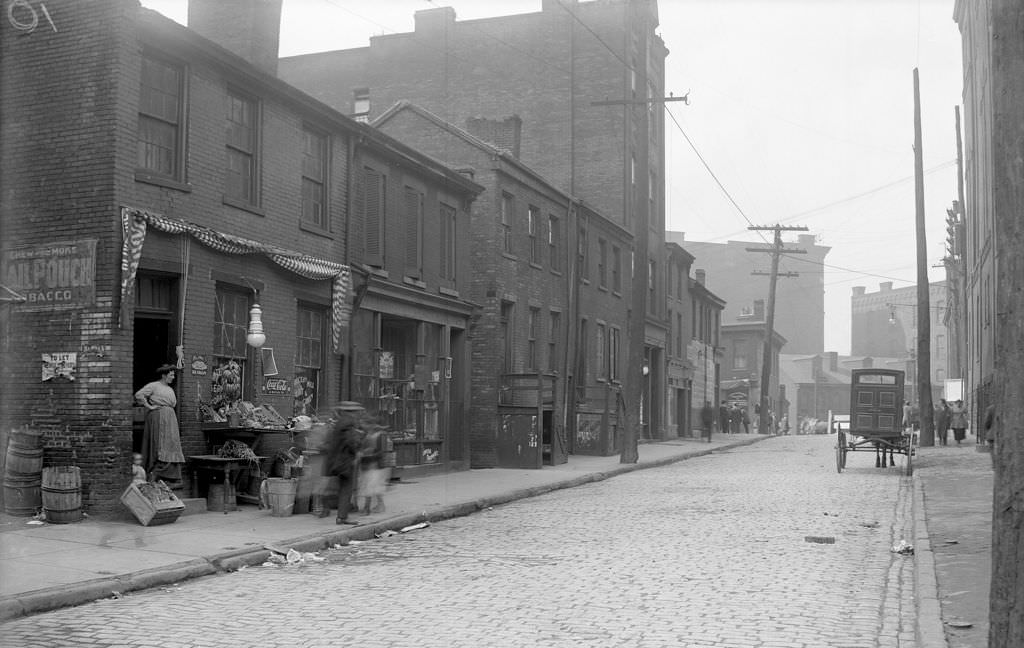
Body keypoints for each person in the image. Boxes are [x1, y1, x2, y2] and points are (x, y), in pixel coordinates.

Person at [134, 364, 185, 489]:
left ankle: (171, 477)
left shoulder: (170, 389)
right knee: (160, 445)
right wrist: (150, 407)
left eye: (173, 375)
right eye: (171, 375)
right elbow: (139, 395)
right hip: (159, 418)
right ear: (164, 375)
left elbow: (173, 404)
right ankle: (155, 473)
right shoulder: (154, 386)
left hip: (170, 418)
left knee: (171, 444)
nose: (173, 377)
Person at [320, 401, 365, 524]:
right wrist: (357, 451)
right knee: (346, 488)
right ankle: (342, 517)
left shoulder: (340, 422)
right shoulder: (349, 423)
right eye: (355, 411)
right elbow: (351, 441)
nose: (357, 413)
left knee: (338, 488)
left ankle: (331, 511)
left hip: (336, 460)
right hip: (345, 461)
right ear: (351, 412)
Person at [357, 414, 392, 515]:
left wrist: (366, 454)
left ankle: (366, 508)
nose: (362, 425)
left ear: (370, 424)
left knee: (369, 487)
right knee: (374, 487)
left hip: (374, 465)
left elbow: (381, 452)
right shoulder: (368, 434)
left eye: (364, 423)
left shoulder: (379, 435)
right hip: (369, 464)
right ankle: (380, 505)